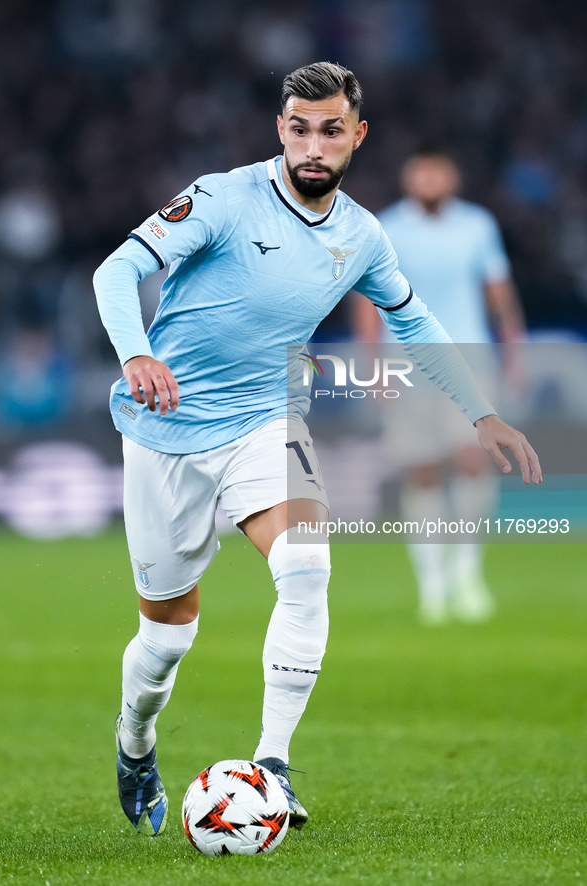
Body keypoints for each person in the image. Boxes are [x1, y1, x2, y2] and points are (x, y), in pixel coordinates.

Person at [93, 63, 541, 837]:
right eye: (298, 127)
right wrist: (136, 353)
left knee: (306, 566)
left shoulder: (362, 235)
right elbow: (118, 269)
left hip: (266, 419)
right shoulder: (223, 197)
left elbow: (414, 321)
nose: (312, 144)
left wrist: (482, 413)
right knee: (165, 640)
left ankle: (272, 765)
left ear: (355, 136)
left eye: (330, 129)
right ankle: (135, 743)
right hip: (163, 430)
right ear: (280, 129)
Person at [355, 148, 527, 624]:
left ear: (452, 176)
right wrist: (374, 366)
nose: (429, 178)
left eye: (437, 169)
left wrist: (514, 352)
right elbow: (367, 300)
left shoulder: (477, 225)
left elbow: (499, 294)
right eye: (421, 169)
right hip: (406, 363)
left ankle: (467, 572)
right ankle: (431, 583)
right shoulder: (386, 227)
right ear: (409, 177)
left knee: (474, 459)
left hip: (469, 360)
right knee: (422, 470)